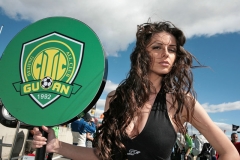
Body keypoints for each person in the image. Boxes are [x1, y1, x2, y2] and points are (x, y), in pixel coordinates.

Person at [31, 21, 239, 160]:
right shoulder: (116, 98)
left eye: (172, 49)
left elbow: (230, 152)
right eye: (157, 47)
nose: (165, 54)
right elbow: (103, 155)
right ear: (142, 54)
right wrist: (57, 146)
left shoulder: (181, 102)